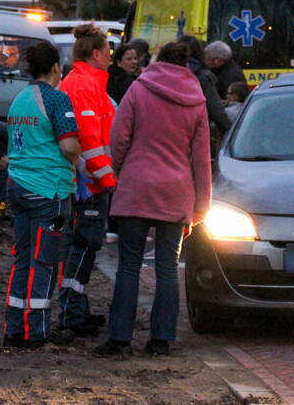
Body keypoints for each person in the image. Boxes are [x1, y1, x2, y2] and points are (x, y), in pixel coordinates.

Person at [94, 41, 212, 357]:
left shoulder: (138, 89)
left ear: (158, 60)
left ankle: (119, 339)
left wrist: (119, 170)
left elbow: (119, 138)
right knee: (167, 266)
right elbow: (201, 158)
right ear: (186, 65)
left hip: (137, 186)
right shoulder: (196, 99)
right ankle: (161, 339)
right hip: (176, 191)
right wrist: (201, 206)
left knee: (129, 265)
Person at [3, 41, 81, 348]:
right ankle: (37, 330)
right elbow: (69, 145)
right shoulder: (57, 99)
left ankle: (14, 327)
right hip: (51, 192)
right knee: (46, 261)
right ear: (56, 68)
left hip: (18, 187)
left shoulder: (19, 99)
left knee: (23, 258)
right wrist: (78, 159)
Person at [57, 23, 117, 336]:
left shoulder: (80, 81)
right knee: (82, 246)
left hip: (84, 180)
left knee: (79, 246)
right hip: (88, 183)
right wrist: (108, 179)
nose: (111, 57)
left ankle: (76, 307)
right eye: (108, 51)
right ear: (96, 54)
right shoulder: (85, 85)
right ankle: (72, 312)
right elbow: (90, 140)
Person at [178, 35, 231, 138]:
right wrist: (230, 133)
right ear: (199, 52)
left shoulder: (163, 73)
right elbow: (215, 108)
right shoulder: (203, 76)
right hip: (193, 131)